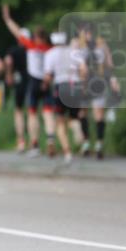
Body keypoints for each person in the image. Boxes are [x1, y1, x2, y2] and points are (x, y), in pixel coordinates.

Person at [2, 5, 52, 156]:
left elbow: (16, 32)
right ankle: (50, 139)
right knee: (48, 113)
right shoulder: (49, 48)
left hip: (33, 82)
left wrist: (7, 19)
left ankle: (34, 144)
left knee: (32, 114)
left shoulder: (30, 45)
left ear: (35, 37)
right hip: (47, 82)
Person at [74, 21, 118, 160]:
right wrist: (112, 79)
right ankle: (95, 144)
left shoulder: (80, 46)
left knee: (87, 113)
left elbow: (81, 68)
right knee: (93, 114)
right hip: (94, 83)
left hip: (88, 83)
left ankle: (90, 144)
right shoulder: (101, 44)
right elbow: (110, 65)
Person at [43, 32, 85, 164]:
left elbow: (48, 75)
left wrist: (45, 84)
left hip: (60, 86)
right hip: (75, 85)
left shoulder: (50, 54)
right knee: (74, 117)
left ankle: (67, 152)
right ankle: (79, 137)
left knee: (60, 121)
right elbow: (83, 69)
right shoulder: (74, 52)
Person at [4, 29, 30, 152]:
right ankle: (33, 141)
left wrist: (8, 75)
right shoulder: (33, 49)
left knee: (18, 111)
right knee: (32, 112)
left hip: (19, 81)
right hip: (32, 81)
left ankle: (21, 141)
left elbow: (8, 61)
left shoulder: (14, 50)